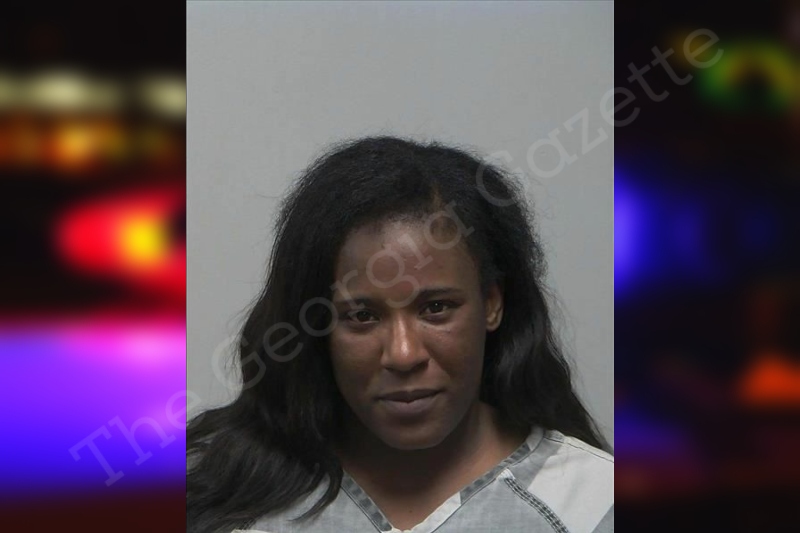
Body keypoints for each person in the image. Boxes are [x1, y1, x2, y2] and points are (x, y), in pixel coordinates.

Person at [187, 136, 613, 533]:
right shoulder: (219, 498)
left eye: (436, 308)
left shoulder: (591, 505)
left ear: (491, 303)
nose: (404, 354)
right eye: (362, 316)